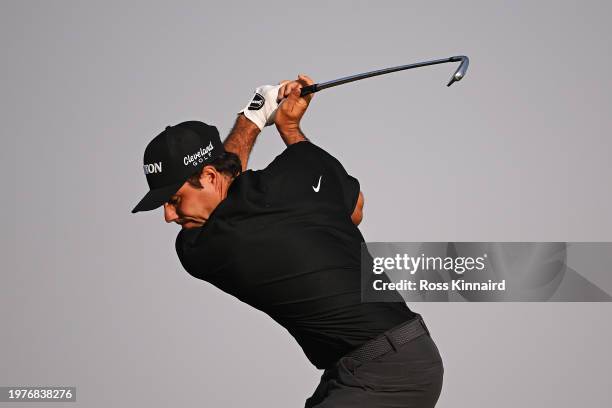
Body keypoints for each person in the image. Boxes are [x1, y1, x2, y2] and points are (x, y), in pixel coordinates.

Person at [132, 76, 444, 407]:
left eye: (174, 200)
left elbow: (231, 177)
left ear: (209, 177)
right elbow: (355, 209)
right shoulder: (293, 174)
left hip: (390, 371)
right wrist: (287, 127)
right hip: (379, 362)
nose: (168, 216)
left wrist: (252, 118)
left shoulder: (197, 248)